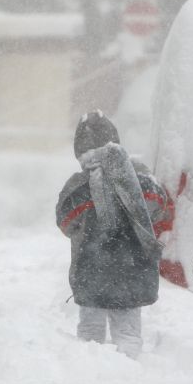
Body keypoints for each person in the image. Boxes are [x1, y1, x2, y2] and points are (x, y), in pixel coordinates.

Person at [56, 111, 169, 358]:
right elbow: (159, 209)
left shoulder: (77, 185)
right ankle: (128, 377)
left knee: (89, 335)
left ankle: (88, 378)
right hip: (134, 269)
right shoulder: (141, 176)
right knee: (128, 335)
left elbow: (65, 223)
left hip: (91, 270)